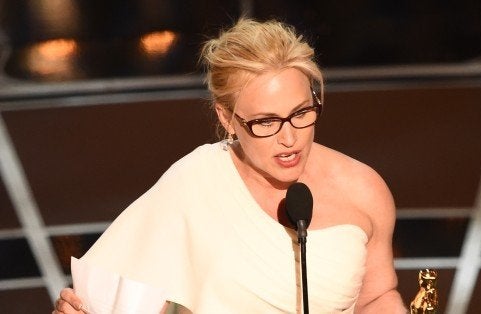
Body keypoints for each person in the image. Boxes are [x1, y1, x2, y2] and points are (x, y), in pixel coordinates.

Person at [53, 18, 407, 313]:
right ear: (227, 117)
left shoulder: (364, 188)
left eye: (301, 113)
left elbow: (377, 297)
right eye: (266, 122)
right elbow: (100, 296)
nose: (289, 138)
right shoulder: (195, 181)